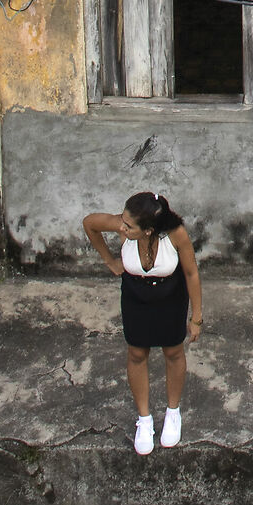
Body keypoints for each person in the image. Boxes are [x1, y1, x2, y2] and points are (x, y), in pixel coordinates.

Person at [82, 191, 203, 456]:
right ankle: (145, 419)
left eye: (128, 226)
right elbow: (90, 223)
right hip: (136, 296)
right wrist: (109, 260)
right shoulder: (123, 226)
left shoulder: (176, 234)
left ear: (148, 231)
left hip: (171, 296)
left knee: (173, 351)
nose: (121, 227)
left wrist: (196, 318)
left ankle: (173, 413)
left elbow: (191, 272)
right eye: (122, 221)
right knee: (137, 352)